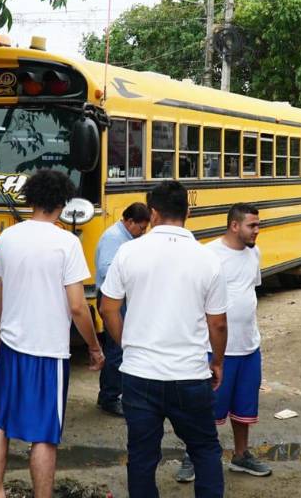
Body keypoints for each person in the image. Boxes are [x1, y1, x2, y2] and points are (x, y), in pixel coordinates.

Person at [99, 181, 227, 498]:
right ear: (188, 212)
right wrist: (217, 362)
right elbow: (218, 323)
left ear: (153, 213)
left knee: (142, 456)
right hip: (190, 375)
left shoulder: (128, 252)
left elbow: (108, 308)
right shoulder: (208, 258)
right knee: (205, 449)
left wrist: (127, 344)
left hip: (139, 374)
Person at [0, 170, 104, 498]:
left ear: (30, 199)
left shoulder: (8, 237)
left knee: (0, 422)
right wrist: (94, 346)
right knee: (44, 434)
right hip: (48, 352)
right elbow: (77, 306)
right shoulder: (67, 243)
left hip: (11, 346)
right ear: (63, 204)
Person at [176, 203, 271, 481]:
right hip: (215, 348)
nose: (257, 230)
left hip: (248, 346)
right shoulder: (208, 255)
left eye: (258, 225)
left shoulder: (254, 253)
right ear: (234, 225)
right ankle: (192, 456)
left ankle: (241, 456)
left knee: (244, 406)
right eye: (252, 225)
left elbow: (249, 291)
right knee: (204, 407)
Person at [94, 202, 151, 417]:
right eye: (140, 228)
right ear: (129, 222)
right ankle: (110, 397)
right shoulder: (113, 238)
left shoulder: (127, 237)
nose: (142, 233)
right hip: (112, 298)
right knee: (117, 349)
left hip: (120, 297)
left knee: (119, 347)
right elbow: (106, 270)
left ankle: (109, 395)